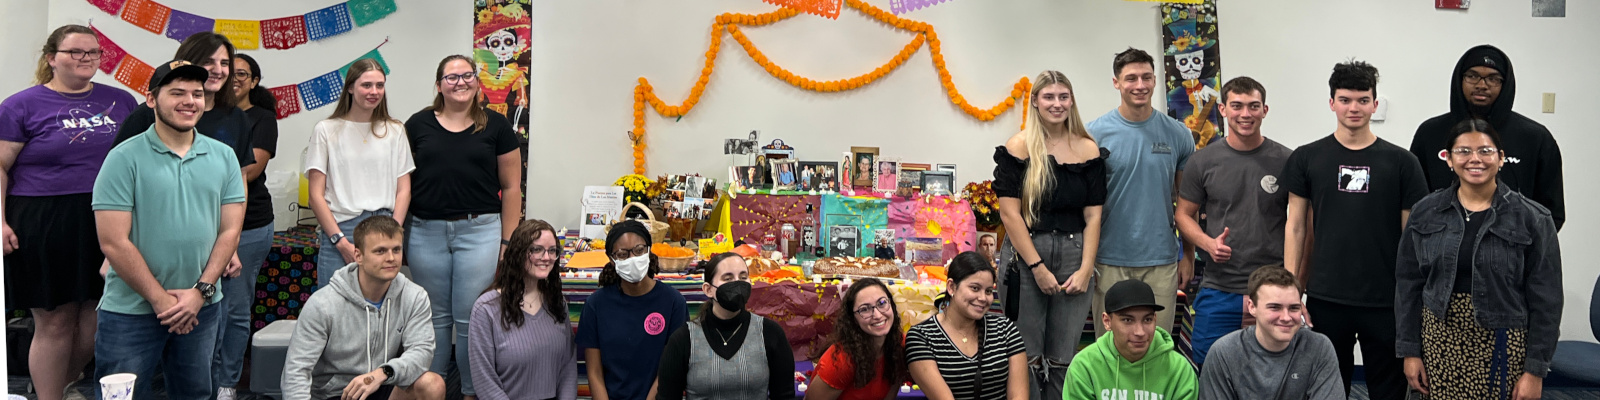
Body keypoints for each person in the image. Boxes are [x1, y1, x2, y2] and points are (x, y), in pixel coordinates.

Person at [91, 60, 244, 400]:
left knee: (195, 394)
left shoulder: (224, 157)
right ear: (151, 100)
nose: (189, 101)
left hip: (201, 308)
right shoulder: (123, 158)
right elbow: (113, 242)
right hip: (130, 310)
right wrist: (162, 301)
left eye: (197, 93)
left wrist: (199, 293)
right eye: (177, 92)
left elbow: (230, 232)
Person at [0, 24, 138, 400]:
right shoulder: (20, 105)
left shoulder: (122, 101)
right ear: (51, 58)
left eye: (93, 52)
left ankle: (63, 383)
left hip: (106, 217)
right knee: (56, 320)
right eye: (75, 52)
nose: (86, 59)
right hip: (43, 219)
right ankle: (49, 396)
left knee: (99, 314)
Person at [1281, 61, 1427, 399]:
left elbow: (1413, 241)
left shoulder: (1402, 163)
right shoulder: (1307, 158)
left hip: (1386, 301)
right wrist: (1291, 288)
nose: (1354, 108)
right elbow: (1296, 226)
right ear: (1331, 103)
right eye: (1345, 99)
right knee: (1326, 390)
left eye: (1363, 100)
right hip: (1326, 297)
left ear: (1375, 104)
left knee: (1388, 392)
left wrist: (1412, 298)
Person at [1396, 119, 1562, 400]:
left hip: (1503, 345)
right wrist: (1410, 351)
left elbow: (1547, 301)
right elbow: (1408, 285)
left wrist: (1535, 370)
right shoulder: (1426, 211)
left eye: (1485, 151)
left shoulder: (1533, 218)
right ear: (1448, 159)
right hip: (1439, 342)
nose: (1475, 159)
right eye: (1463, 151)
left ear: (1501, 158)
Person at [405, 55, 524, 399]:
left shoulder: (497, 127)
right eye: (452, 77)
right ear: (439, 84)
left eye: (467, 75)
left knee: (472, 317)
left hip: (481, 231)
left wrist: (507, 242)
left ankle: (474, 391)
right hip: (425, 231)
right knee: (434, 318)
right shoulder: (417, 125)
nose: (461, 82)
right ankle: (435, 388)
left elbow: (512, 188)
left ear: (477, 81)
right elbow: (402, 183)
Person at [992, 70, 1104, 399]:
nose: (1057, 104)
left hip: (1075, 253)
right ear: (1036, 103)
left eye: (1063, 97)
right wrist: (1037, 267)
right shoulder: (1020, 145)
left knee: (1063, 358)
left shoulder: (1088, 149)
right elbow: (1009, 214)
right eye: (1049, 97)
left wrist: (1086, 269)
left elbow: (1094, 216)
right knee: (1024, 356)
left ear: (1072, 101)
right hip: (1027, 252)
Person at [1174, 76, 1291, 366]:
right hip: (1220, 286)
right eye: (1237, 106)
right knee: (1209, 367)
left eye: (1253, 106)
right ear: (1223, 110)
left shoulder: (1287, 160)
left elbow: (1301, 225)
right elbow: (1183, 214)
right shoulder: (1202, 161)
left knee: (1274, 372)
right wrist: (1206, 244)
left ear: (1265, 110)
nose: (1245, 114)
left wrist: (1296, 283)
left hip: (1272, 287)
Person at [1085, 48, 1195, 337]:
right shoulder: (1093, 135)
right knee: (1109, 347)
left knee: (1157, 346)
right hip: (1108, 259)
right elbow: (1084, 205)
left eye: (1146, 77)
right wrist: (1086, 262)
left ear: (1155, 80)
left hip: (1161, 259)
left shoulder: (1178, 134)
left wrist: (1188, 255)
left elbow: (1187, 203)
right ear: (1116, 83)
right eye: (1131, 78)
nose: (1140, 85)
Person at [281, 217, 446, 400]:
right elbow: (296, 371)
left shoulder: (415, 296)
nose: (391, 258)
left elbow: (422, 352)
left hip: (382, 383)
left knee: (432, 384)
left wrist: (382, 373)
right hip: (335, 394)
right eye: (380, 251)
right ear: (358, 256)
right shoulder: (323, 303)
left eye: (396, 250)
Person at [1410, 45, 1563, 230]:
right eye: (1472, 76)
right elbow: (1414, 202)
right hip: (1439, 249)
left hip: (1514, 250)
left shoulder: (1535, 138)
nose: (1482, 85)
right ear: (1460, 80)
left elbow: (1551, 213)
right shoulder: (1430, 133)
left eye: (1493, 78)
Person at [304, 58, 413, 289]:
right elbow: (315, 195)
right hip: (342, 228)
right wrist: (339, 241)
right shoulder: (326, 130)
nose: (374, 92)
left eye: (380, 85)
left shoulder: (395, 130)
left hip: (385, 224)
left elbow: (403, 189)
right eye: (367, 85)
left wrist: (395, 232)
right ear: (350, 88)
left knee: (380, 306)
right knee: (335, 309)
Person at [213, 51, 279, 400]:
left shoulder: (261, 118)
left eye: (242, 73)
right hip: (202, 223)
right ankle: (202, 376)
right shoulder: (205, 112)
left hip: (249, 224)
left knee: (234, 307)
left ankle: (227, 382)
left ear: (254, 81)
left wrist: (202, 179)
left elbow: (250, 171)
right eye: (228, 71)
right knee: (204, 303)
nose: (233, 77)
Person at [576, 221, 689, 400]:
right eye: (622, 254)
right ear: (612, 260)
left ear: (649, 250)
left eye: (638, 250)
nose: (632, 259)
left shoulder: (674, 302)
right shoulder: (595, 305)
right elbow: (594, 373)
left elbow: (669, 370)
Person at [658, 253, 795, 399]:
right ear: (708, 289)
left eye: (743, 277)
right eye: (728, 278)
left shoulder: (771, 334)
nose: (737, 284)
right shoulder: (683, 340)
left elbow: (784, 396)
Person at [111, 32, 254, 169]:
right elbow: (118, 164)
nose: (217, 70)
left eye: (224, 63)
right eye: (207, 61)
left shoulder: (237, 118)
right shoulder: (151, 112)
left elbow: (240, 176)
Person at [469, 219, 576, 400]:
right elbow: (484, 380)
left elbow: (568, 367)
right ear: (518, 253)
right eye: (537, 249)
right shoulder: (485, 309)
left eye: (552, 251)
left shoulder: (557, 303)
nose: (546, 257)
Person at [1196, 267, 1343, 400]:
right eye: (1274, 307)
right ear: (1252, 307)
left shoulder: (1319, 348)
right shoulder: (1224, 352)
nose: (1286, 317)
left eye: (1294, 308)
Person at [906, 252, 1027, 400]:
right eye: (975, 288)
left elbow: (1019, 396)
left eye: (988, 291)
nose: (983, 298)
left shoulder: (1005, 329)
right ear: (951, 287)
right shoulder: (921, 337)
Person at [1065, 279, 1197, 400]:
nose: (1140, 332)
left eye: (1147, 320)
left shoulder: (1179, 370)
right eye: (1127, 320)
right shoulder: (1084, 366)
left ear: (1155, 320)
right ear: (1107, 321)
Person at [805, 277, 906, 400]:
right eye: (864, 309)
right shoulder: (841, 360)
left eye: (882, 303)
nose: (878, 315)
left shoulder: (899, 344)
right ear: (853, 320)